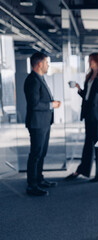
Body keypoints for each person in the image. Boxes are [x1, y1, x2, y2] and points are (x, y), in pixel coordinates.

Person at [66, 53, 98, 182]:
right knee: (88, 144)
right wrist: (79, 88)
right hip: (89, 114)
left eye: (91, 60)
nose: (89, 63)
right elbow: (87, 96)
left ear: (97, 61)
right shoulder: (89, 76)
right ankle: (83, 170)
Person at [24, 52, 61, 196]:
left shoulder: (39, 78)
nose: (48, 65)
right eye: (46, 63)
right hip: (37, 123)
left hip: (44, 122)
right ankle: (32, 185)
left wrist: (51, 104)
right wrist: (51, 105)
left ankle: (39, 179)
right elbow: (34, 104)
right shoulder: (32, 80)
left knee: (42, 153)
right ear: (39, 64)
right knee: (35, 154)